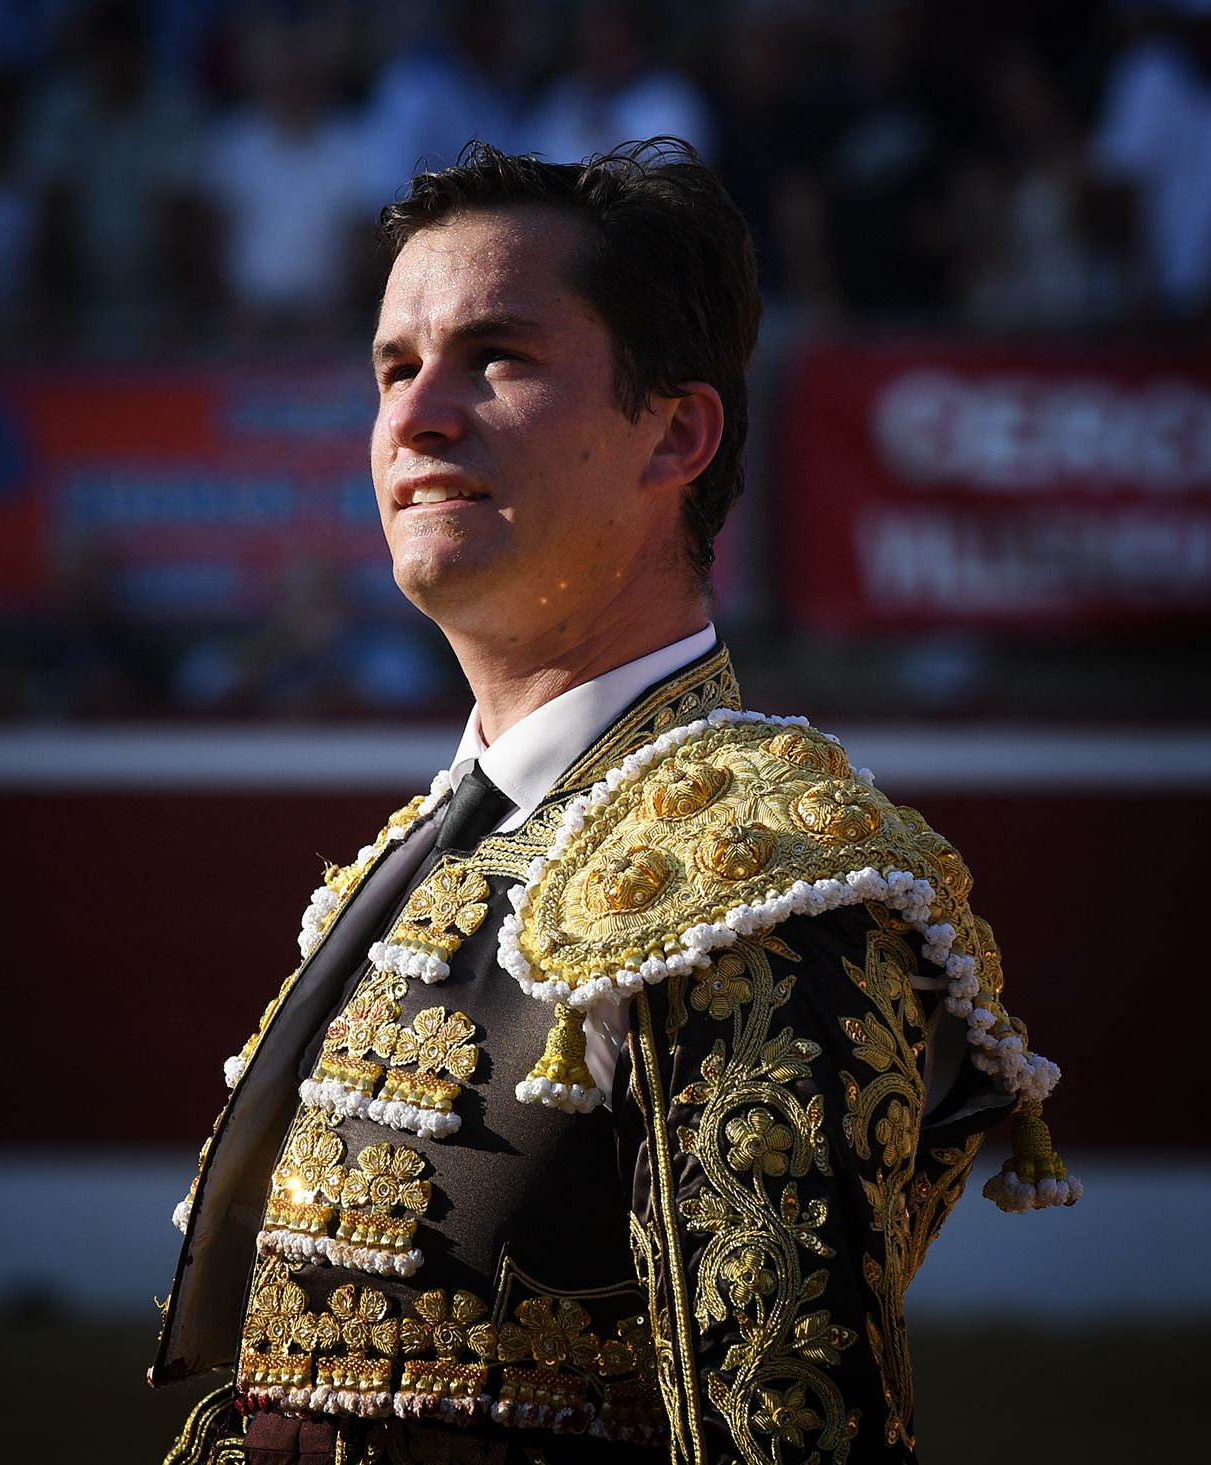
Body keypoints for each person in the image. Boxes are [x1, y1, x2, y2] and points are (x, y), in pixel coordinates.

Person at [150, 139, 1076, 1465]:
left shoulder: (755, 876)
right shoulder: (420, 855)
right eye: (395, 367)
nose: (417, 415)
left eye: (499, 356)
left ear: (677, 433)